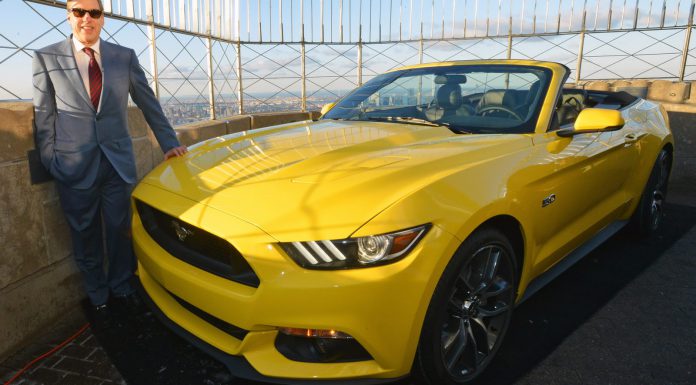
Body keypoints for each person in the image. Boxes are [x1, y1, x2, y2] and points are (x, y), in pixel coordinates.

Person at [32, 0, 187, 319]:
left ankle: (121, 285)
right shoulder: (46, 57)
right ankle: (97, 293)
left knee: (120, 230)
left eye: (95, 13)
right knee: (84, 232)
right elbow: (43, 116)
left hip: (117, 164)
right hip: (73, 167)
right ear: (68, 16)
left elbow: (149, 104)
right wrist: (51, 160)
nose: (87, 18)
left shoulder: (123, 57)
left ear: (102, 19)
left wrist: (170, 143)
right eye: (79, 11)